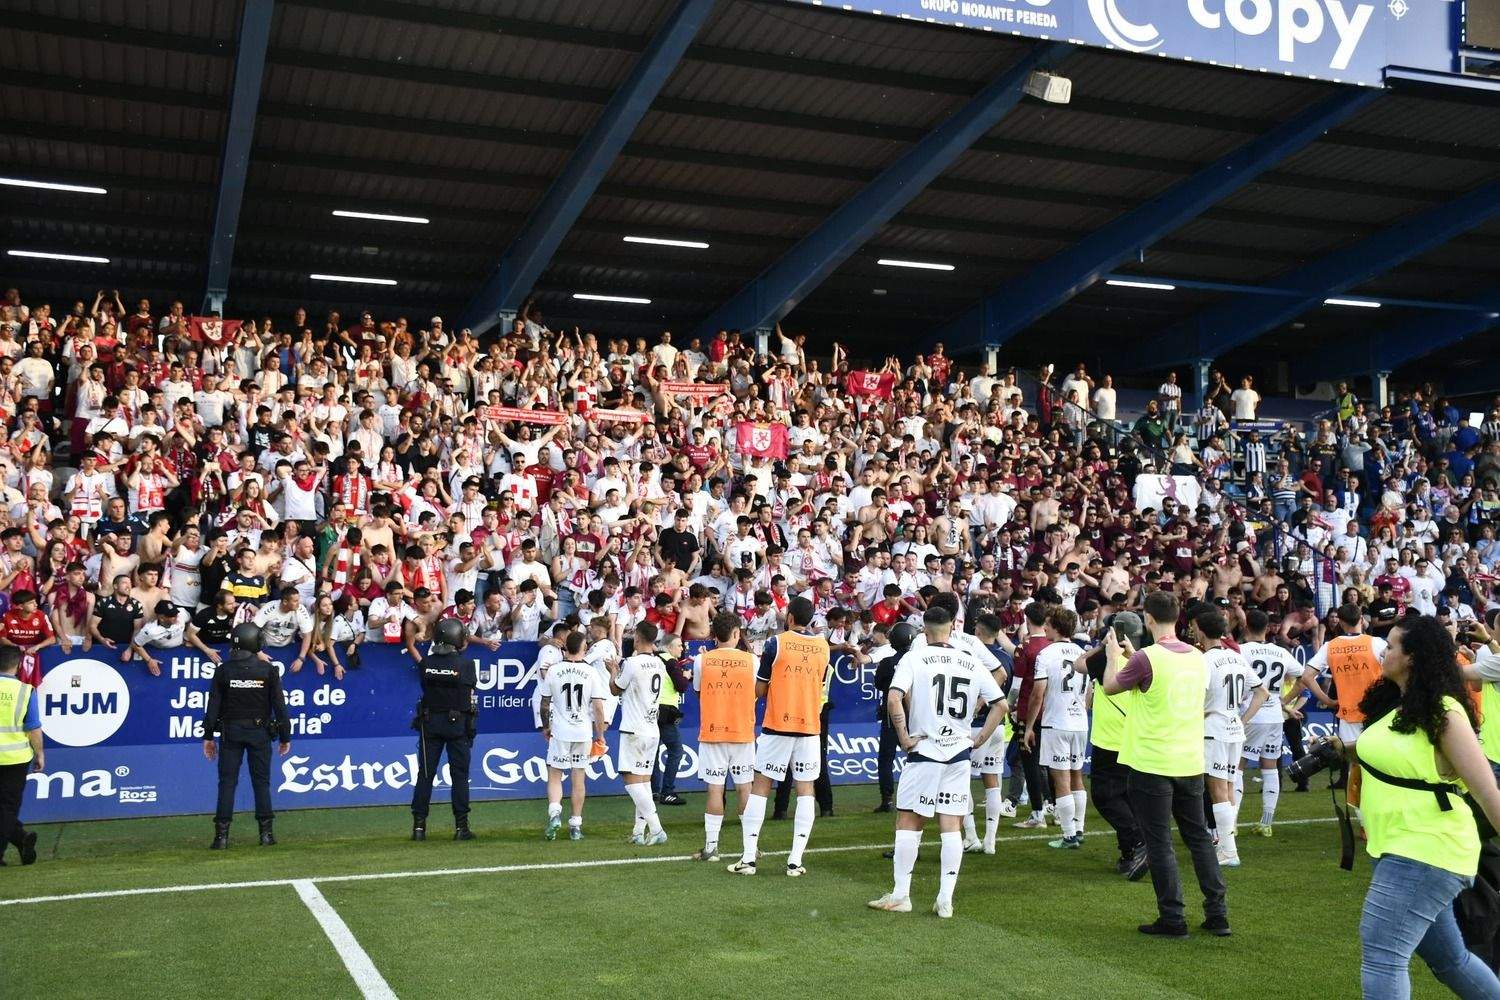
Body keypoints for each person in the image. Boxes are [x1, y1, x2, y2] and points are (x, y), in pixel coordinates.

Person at [1355, 615, 1500, 999]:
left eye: (1391, 645)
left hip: (1427, 846)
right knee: (1451, 960)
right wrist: (1343, 750)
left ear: (1412, 657)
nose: (1384, 651)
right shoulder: (1399, 705)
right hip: (1396, 845)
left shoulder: (1445, 711)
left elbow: (1488, 792)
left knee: (1383, 953)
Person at [1103, 590, 1228, 937]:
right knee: (1199, 838)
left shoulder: (1147, 657)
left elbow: (1111, 686)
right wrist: (1132, 656)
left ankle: (1173, 917)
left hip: (1153, 761)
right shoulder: (1198, 657)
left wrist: (1115, 655)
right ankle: (1218, 914)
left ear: (1148, 618)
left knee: (1160, 842)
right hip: (1189, 760)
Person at [867, 606, 1006, 918]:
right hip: (958, 752)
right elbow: (1000, 704)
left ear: (924, 632)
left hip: (925, 750)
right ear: (952, 628)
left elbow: (893, 697)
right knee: (950, 825)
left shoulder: (914, 658)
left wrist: (903, 736)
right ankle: (945, 899)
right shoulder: (970, 660)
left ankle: (902, 894)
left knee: (908, 821)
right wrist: (978, 739)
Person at [728, 596, 830, 877]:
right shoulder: (823, 647)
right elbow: (818, 684)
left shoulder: (777, 643)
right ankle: (795, 861)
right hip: (810, 726)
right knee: (806, 789)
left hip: (778, 724)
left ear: (790, 618)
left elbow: (759, 690)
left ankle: (749, 859)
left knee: (761, 785)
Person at [201, 623, 291, 850]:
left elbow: (212, 706)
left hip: (231, 733)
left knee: (227, 783)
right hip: (259, 733)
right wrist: (285, 737)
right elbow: (280, 707)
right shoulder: (268, 670)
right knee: (261, 783)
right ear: (256, 642)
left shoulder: (223, 671)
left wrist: (208, 736)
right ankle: (266, 834)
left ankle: (221, 837)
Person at [1240, 608, 1326, 832]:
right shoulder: (1281, 652)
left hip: (1250, 715)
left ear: (1246, 626)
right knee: (1269, 768)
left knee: (1237, 768)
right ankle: (1266, 823)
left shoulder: (1241, 651)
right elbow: (1304, 678)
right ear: (1268, 628)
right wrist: (1282, 701)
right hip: (1274, 717)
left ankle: (1230, 825)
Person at [1193, 609, 1267, 869]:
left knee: (1218, 791)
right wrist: (1242, 719)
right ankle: (1227, 846)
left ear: (1200, 631)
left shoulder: (1204, 660)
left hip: (1214, 729)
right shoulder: (1235, 657)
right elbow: (1262, 692)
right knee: (1227, 788)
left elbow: (1196, 698)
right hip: (1235, 729)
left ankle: (1228, 851)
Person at [1310, 604, 1388, 816]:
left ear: (1341, 622)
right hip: (1377, 714)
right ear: (1361, 619)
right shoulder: (1376, 643)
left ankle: (1364, 823)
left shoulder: (1330, 646)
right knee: (1380, 766)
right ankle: (1383, 815)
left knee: (1356, 769)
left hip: (1349, 717)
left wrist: (1328, 700)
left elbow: (1307, 676)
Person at [691, 612, 757, 861]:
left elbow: (698, 692)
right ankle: (750, 848)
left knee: (715, 790)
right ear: (737, 633)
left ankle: (711, 847)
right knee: (745, 789)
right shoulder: (752, 661)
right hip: (742, 732)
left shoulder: (702, 660)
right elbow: (757, 692)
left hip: (713, 732)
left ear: (713, 635)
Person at [1086, 611, 1147, 878]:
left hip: (1109, 739)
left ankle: (1137, 841)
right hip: (1135, 738)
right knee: (1128, 797)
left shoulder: (1104, 659)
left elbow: (1079, 664)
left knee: (1105, 796)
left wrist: (1103, 645)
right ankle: (1130, 853)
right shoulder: (1144, 659)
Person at [1024, 607, 1089, 850]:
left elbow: (1037, 694)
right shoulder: (1083, 652)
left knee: (1060, 778)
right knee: (1077, 775)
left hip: (1056, 723)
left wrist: (1030, 726)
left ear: (1056, 627)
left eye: (1049, 624)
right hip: (1080, 723)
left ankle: (1069, 835)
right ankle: (1079, 828)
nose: (1046, 627)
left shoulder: (1046, 654)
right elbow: (1089, 694)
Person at [410, 617, 478, 842]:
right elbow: (469, 695)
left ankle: (419, 827)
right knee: (459, 776)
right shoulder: (465, 665)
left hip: (429, 724)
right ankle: (461, 827)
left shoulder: (426, 663)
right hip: (457, 725)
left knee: (425, 775)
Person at [539, 631, 607, 841]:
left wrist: (545, 726)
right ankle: (576, 825)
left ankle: (554, 812)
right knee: (579, 779)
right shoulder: (591, 672)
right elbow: (598, 707)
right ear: (584, 648)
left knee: (555, 774)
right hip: (582, 731)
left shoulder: (554, 670)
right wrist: (600, 734)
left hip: (560, 730)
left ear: (565, 647)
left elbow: (544, 703)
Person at [612, 621, 669, 847]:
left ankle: (656, 829)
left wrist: (613, 670)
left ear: (637, 638)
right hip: (651, 729)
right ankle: (638, 831)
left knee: (630, 780)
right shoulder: (659, 664)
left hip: (634, 728)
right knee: (643, 781)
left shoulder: (632, 663)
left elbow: (615, 688)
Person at [0, 646, 42, 866]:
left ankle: (18, 839)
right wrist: (40, 753)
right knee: (7, 806)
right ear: (17, 665)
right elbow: (33, 727)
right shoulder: (26, 690)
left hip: (13, 757)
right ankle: (20, 838)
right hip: (15, 758)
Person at [873, 621, 918, 813]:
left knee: (886, 758)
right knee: (917, 756)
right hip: (917, 716)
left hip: (893, 718)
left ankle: (887, 799)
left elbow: (879, 684)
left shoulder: (888, 663)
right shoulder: (919, 662)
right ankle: (919, 796)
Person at [650, 631, 691, 807]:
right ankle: (667, 791)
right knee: (676, 750)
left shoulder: (653, 659)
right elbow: (681, 687)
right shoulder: (671, 662)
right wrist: (686, 677)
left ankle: (654, 790)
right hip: (666, 711)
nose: (682, 648)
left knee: (653, 752)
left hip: (651, 710)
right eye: (679, 645)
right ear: (668, 646)